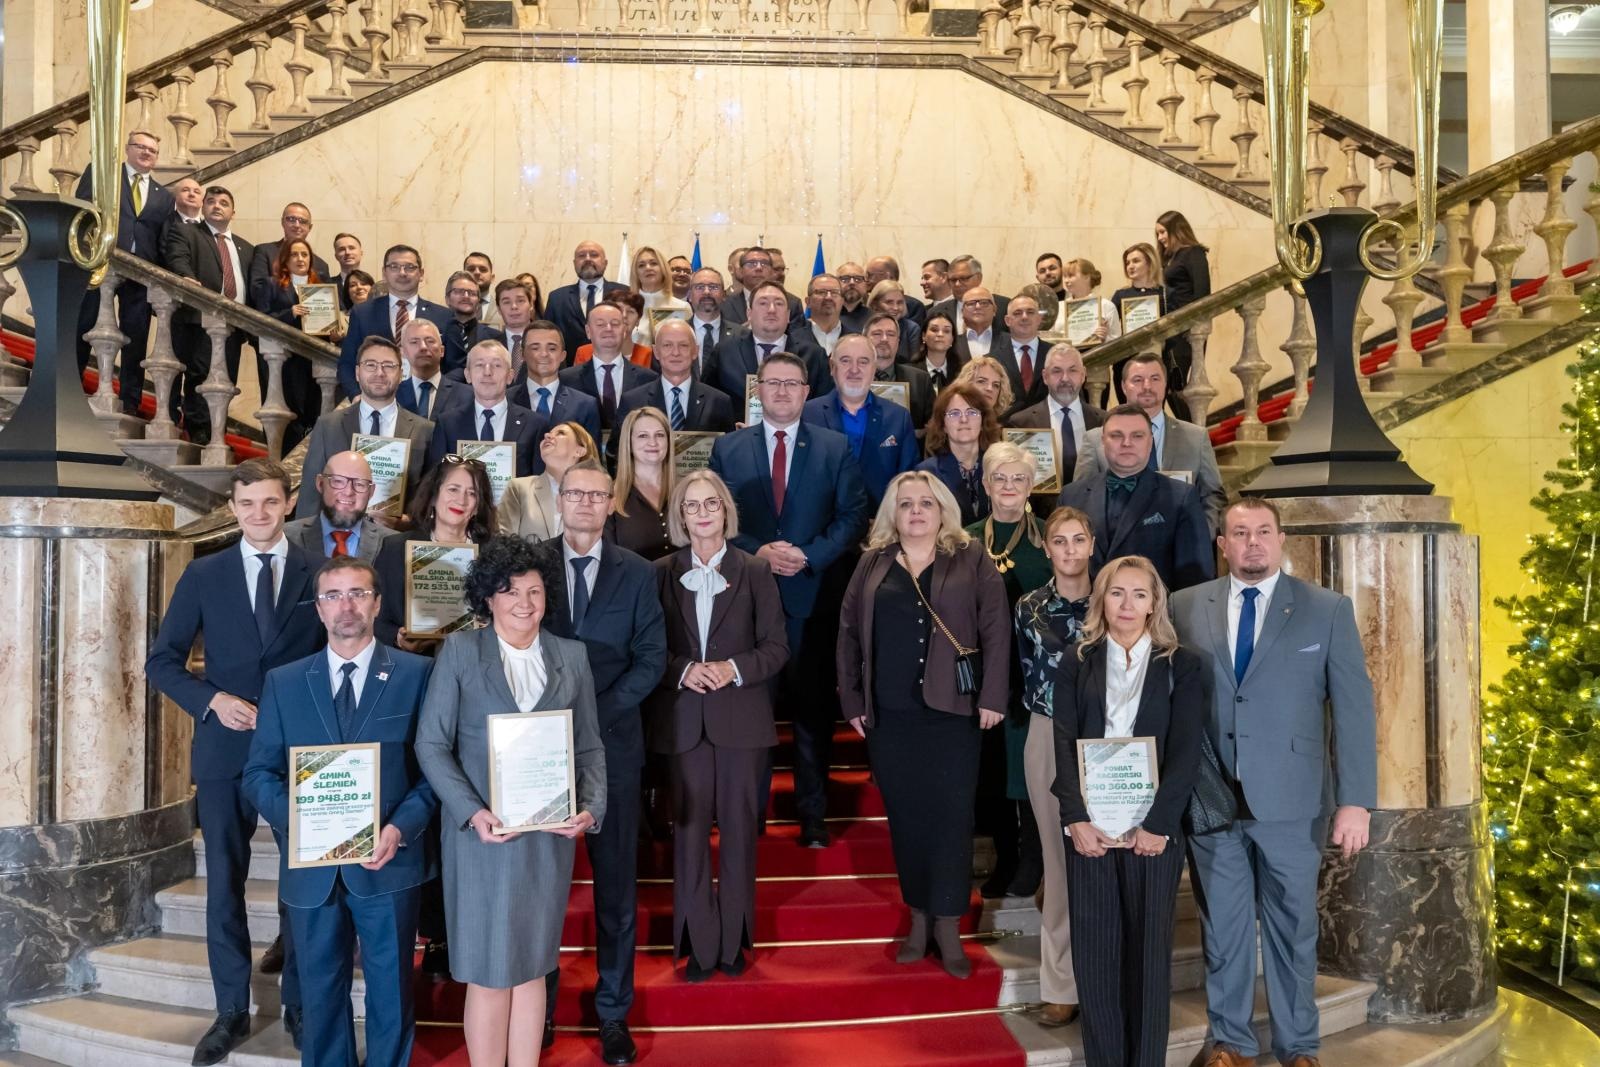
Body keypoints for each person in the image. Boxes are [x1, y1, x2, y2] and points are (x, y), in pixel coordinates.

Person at [1172, 498, 1377, 1067]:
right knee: (1226, 933)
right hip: (1211, 800)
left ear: (1282, 539)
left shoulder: (1325, 609)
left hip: (1293, 800)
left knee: (1294, 932)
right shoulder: (1184, 605)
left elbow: (1355, 709)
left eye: (1263, 532)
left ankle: (1299, 1049)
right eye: (1240, 533)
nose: (1252, 543)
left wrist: (1356, 801)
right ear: (1223, 543)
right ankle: (1230, 1045)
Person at [146, 460, 322, 1064]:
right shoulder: (205, 573)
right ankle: (229, 1010)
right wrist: (211, 699)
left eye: (270, 503)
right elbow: (162, 661)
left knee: (303, 882)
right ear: (234, 506)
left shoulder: (315, 571)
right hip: (224, 750)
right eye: (248, 504)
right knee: (224, 881)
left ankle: (299, 1002)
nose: (259, 515)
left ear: (288, 503)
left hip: (300, 753)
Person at [414, 536, 607, 1067]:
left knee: (533, 965)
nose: (524, 602)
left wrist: (590, 808)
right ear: (488, 599)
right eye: (509, 591)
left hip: (546, 837)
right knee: (488, 970)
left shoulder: (572, 656)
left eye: (534, 590)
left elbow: (588, 745)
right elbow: (431, 743)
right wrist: (471, 812)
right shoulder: (460, 651)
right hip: (483, 838)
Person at [241, 556, 436, 1067]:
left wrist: (400, 828)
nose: (345, 606)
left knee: (391, 994)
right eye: (333, 596)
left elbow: (435, 771)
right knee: (321, 996)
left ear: (376, 603)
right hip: (313, 870)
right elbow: (258, 775)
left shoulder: (417, 674)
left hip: (388, 863)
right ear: (319, 610)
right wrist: (303, 819)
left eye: (357, 594)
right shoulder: (284, 682)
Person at [837, 471, 1010, 978]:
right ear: (892, 512)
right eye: (906, 503)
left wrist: (993, 695)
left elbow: (996, 630)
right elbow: (847, 634)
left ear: (943, 512)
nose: (916, 511)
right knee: (907, 818)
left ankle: (948, 924)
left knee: (952, 819)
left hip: (954, 713)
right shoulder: (872, 563)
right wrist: (851, 700)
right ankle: (917, 917)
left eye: (926, 503)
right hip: (889, 715)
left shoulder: (971, 557)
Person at [709, 352, 869, 848]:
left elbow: (852, 515)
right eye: (772, 384)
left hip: (811, 596)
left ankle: (813, 815)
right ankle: (747, 814)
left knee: (811, 712)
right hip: (747, 600)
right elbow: (716, 517)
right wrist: (761, 552)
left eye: (791, 384)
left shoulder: (834, 446)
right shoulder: (729, 449)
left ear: (806, 391)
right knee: (750, 712)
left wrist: (806, 555)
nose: (781, 392)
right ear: (758, 392)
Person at [1052, 554, 1206, 1067]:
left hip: (1152, 833)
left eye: (1140, 594)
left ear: (1155, 603)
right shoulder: (1077, 659)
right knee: (1096, 959)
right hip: (1091, 830)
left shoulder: (1183, 665)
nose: (1127, 603)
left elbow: (1185, 753)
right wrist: (1075, 819)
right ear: (1102, 598)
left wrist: (1159, 826)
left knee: (1147, 960)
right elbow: (1063, 741)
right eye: (1117, 592)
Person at [539, 462, 668, 1066]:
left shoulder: (638, 574)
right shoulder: (531, 563)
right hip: (536, 752)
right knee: (539, 889)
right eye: (576, 493)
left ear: (609, 504)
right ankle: (535, 1007)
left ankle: (613, 1012)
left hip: (612, 748)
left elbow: (651, 659)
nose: (586, 503)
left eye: (596, 494)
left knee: (616, 889)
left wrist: (591, 717)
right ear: (558, 500)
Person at [649, 470, 790, 980]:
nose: (703, 512)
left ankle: (733, 944)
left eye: (712, 503)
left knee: (737, 835)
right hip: (684, 720)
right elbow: (646, 649)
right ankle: (699, 946)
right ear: (680, 516)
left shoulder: (754, 570)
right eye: (692, 505)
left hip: (741, 721)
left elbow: (777, 647)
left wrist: (732, 669)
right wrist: (685, 670)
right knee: (687, 836)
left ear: (726, 511)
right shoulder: (659, 572)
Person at [1013, 506, 1093, 1029]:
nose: (1068, 550)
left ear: (1091, 544)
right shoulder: (1029, 607)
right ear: (1047, 548)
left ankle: (1104, 971)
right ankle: (1061, 984)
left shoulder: (1114, 598)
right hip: (1047, 731)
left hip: (1108, 736)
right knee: (1058, 860)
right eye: (1059, 541)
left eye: (1077, 540)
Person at [967, 441, 1050, 900]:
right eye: (1000, 478)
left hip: (1034, 675)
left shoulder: (1047, 536)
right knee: (994, 772)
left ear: (1031, 485)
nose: (1009, 487)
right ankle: (1006, 856)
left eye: (1019, 478)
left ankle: (1034, 857)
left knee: (1029, 771)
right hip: (981, 676)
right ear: (986, 483)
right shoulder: (965, 537)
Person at [1058, 405, 1214, 591]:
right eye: (1116, 436)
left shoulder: (1182, 497)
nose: (1126, 443)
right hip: (1083, 615)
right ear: (1103, 441)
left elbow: (1195, 576)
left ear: (1150, 442)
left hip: (1152, 615)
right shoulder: (1071, 496)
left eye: (1137, 436)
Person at [74, 129, 175, 411]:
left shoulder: (164, 197)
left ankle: (130, 400)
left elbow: (163, 241)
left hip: (140, 276)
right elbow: (80, 215)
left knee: (136, 337)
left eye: (152, 150)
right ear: (127, 149)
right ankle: (70, 384)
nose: (145, 153)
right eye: (140, 147)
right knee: (83, 325)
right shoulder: (102, 173)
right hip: (99, 266)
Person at [1073, 354, 1226, 534]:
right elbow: (1081, 500)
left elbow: (1214, 497)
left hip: (1181, 553)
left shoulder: (1196, 437)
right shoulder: (1094, 439)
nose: (1147, 386)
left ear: (1165, 383)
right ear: (1123, 387)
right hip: (1116, 554)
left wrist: (1198, 536)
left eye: (1155, 379)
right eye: (1137, 380)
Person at [373, 456, 498, 653]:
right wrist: (397, 637)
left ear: (477, 507)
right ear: (433, 496)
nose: (461, 500)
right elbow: (375, 618)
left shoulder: (494, 554)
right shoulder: (395, 548)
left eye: (472, 493)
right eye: (453, 489)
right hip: (414, 665)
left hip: (476, 663)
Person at [160, 184, 254, 445]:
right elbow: (177, 259)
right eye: (211, 201)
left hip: (233, 326)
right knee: (199, 375)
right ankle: (199, 429)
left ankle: (217, 428)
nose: (216, 206)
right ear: (203, 207)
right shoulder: (187, 232)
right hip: (199, 320)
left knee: (226, 380)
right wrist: (187, 277)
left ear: (233, 212)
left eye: (223, 202)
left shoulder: (246, 248)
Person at [803, 335, 920, 509]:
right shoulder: (807, 414)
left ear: (874, 369)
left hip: (881, 527)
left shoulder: (898, 417)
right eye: (845, 361)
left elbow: (909, 481)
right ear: (832, 367)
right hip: (822, 527)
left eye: (863, 362)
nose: (854, 369)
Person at [338, 243, 451, 398]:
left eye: (410, 267)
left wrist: (440, 395)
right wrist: (356, 395)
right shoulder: (363, 313)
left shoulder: (443, 316)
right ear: (384, 273)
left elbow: (455, 366)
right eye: (394, 267)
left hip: (426, 402)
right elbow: (347, 363)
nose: (402, 273)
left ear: (421, 273)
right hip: (375, 400)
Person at [423, 340, 547, 477]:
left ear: (510, 376)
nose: (487, 372)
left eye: (497, 365)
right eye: (480, 365)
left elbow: (539, 483)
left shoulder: (534, 425)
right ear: (468, 375)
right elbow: (436, 480)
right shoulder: (447, 423)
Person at [248, 237, 328, 446]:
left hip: (313, 359)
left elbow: (326, 325)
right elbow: (262, 319)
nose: (300, 259)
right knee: (290, 408)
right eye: (294, 254)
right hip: (286, 359)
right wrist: (289, 312)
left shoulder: (321, 287)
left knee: (313, 408)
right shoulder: (271, 284)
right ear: (285, 259)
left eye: (305, 254)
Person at [612, 319, 735, 443]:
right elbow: (616, 453)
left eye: (683, 345)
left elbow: (727, 451)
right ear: (656, 352)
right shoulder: (632, 401)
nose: (676, 353)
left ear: (695, 351)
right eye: (667, 345)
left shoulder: (719, 402)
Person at [1007, 344, 1105, 487]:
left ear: (1083, 375)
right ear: (1045, 376)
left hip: (1090, 508)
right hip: (1041, 508)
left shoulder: (1104, 421)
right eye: (1057, 371)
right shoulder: (1021, 422)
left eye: (1072, 370)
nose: (1065, 378)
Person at [711, 282, 828, 401]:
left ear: (788, 315)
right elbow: (711, 401)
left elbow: (823, 405)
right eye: (763, 303)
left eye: (778, 303)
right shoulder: (724, 352)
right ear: (749, 314)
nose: (771, 309)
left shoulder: (814, 356)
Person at [558, 301, 659, 437]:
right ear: (588, 331)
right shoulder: (566, 379)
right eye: (600, 324)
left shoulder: (648, 379)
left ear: (624, 330)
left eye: (615, 324)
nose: (608, 328)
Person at [499, 422, 601, 541]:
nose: (547, 435)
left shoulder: (598, 495)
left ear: (579, 451)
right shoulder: (519, 488)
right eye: (548, 433)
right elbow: (504, 544)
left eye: (561, 433)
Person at [285, 450, 394, 561]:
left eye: (359, 484)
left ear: (371, 491)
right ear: (320, 483)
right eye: (338, 481)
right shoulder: (285, 536)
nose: (348, 492)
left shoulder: (395, 544)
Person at [918, 382, 1001, 526]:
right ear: (943, 424)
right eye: (954, 413)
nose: (964, 420)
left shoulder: (998, 467)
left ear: (983, 421)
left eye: (972, 412)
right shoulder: (927, 473)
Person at [1156, 210, 1212, 421]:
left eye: (1163, 232)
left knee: (1175, 385)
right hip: (1171, 331)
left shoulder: (1193, 253)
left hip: (1186, 331)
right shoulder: (1171, 258)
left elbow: (1202, 292)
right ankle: (1191, 430)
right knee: (1169, 386)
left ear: (1176, 230)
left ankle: (1194, 432)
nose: (1160, 238)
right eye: (1158, 234)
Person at [513, 319, 603, 442]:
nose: (544, 354)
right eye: (535, 348)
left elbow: (591, 458)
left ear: (563, 355)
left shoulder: (585, 405)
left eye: (552, 349)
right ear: (522, 354)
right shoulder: (506, 400)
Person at [607, 407, 676, 561]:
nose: (653, 442)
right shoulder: (608, 496)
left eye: (659, 435)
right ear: (629, 443)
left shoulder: (685, 492)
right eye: (643, 436)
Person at [545, 240, 627, 358]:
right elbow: (548, 337)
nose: (588, 259)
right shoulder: (557, 298)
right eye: (581, 255)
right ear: (574, 263)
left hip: (616, 368)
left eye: (594, 255)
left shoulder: (624, 293)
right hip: (569, 371)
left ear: (605, 262)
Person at [247, 202, 331, 313]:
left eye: (303, 221)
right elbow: (257, 291)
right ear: (282, 222)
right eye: (291, 219)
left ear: (309, 227)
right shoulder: (264, 251)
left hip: (312, 327)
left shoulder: (321, 265)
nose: (297, 225)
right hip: (274, 325)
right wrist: (290, 313)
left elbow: (326, 301)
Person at [1109, 242, 1165, 402]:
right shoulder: (1120, 295)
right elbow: (1111, 327)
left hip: (1155, 359)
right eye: (1127, 263)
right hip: (1125, 361)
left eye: (1136, 261)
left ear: (1149, 263)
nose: (1130, 266)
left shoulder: (1164, 294)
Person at [864, 314, 933, 433]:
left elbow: (933, 425)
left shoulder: (920, 379)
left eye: (891, 334)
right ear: (864, 339)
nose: (884, 339)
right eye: (877, 334)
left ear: (898, 341)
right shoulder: (849, 377)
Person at [397, 318, 467, 420]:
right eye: (414, 342)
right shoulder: (393, 394)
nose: (423, 347)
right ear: (403, 352)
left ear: (442, 350)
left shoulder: (467, 395)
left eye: (430, 341)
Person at [442, 270, 508, 378]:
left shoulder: (496, 337)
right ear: (447, 299)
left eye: (472, 293)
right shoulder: (436, 334)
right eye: (459, 291)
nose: (466, 296)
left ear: (478, 302)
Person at [721, 248, 803, 326]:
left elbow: (798, 337)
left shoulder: (792, 303)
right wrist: (741, 332)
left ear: (771, 271)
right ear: (741, 271)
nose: (759, 268)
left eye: (764, 264)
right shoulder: (724, 305)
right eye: (751, 264)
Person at [575, 288, 655, 368]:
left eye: (630, 311)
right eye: (619, 309)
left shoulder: (648, 354)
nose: (624, 315)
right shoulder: (584, 353)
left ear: (638, 320)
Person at [1000, 293, 1051, 413]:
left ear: (1039, 319)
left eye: (1030, 312)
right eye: (1017, 313)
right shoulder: (993, 358)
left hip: (1048, 428)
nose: (1024, 317)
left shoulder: (1056, 354)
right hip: (1006, 428)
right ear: (1008, 321)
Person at [930, 255, 1010, 328]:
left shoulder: (1004, 307)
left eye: (964, 278)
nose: (957, 284)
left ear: (978, 278)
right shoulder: (937, 311)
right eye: (953, 280)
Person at [630, 245, 689, 342]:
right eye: (641, 265)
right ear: (635, 273)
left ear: (663, 269)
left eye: (653, 263)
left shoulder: (682, 307)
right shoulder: (627, 307)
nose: (648, 268)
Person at [686, 268, 732, 378]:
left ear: (724, 295)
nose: (706, 292)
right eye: (699, 287)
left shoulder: (742, 335)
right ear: (690, 296)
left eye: (713, 287)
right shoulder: (675, 334)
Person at [866, 279, 923, 363]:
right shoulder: (864, 324)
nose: (895, 308)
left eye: (900, 302)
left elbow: (915, 363)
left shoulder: (912, 328)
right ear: (875, 304)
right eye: (889, 302)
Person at [865, 255, 927, 326]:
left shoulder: (913, 307)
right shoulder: (863, 304)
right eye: (889, 302)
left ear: (888, 277)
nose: (866, 280)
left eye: (870, 275)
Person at [911, 310, 964, 393]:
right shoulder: (909, 371)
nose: (940, 334)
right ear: (923, 336)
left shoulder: (962, 373)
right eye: (934, 329)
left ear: (952, 339)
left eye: (946, 331)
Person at [797, 273, 845, 357]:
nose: (828, 297)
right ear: (808, 302)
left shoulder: (857, 339)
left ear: (842, 301)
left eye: (834, 292)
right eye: (821, 292)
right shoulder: (792, 338)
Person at [464, 251, 499, 323]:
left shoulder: (504, 309)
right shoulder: (451, 309)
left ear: (492, 278)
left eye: (483, 269)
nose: (477, 272)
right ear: (462, 276)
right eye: (471, 269)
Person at [836, 261, 871, 334]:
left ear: (866, 285)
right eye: (845, 279)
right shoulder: (826, 315)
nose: (852, 283)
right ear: (835, 283)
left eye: (858, 279)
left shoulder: (875, 319)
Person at [332, 232, 364, 309]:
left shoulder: (373, 287)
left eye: (351, 248)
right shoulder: (327, 287)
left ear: (361, 253)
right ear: (336, 256)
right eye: (342, 249)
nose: (347, 252)